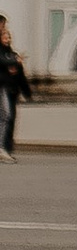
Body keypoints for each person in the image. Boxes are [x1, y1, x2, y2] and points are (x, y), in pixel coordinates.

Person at [0, 15, 27, 162]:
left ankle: (2, 148)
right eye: (3, 25)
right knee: (5, 115)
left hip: (4, 85)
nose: (4, 28)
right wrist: (14, 61)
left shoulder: (6, 47)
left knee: (6, 115)